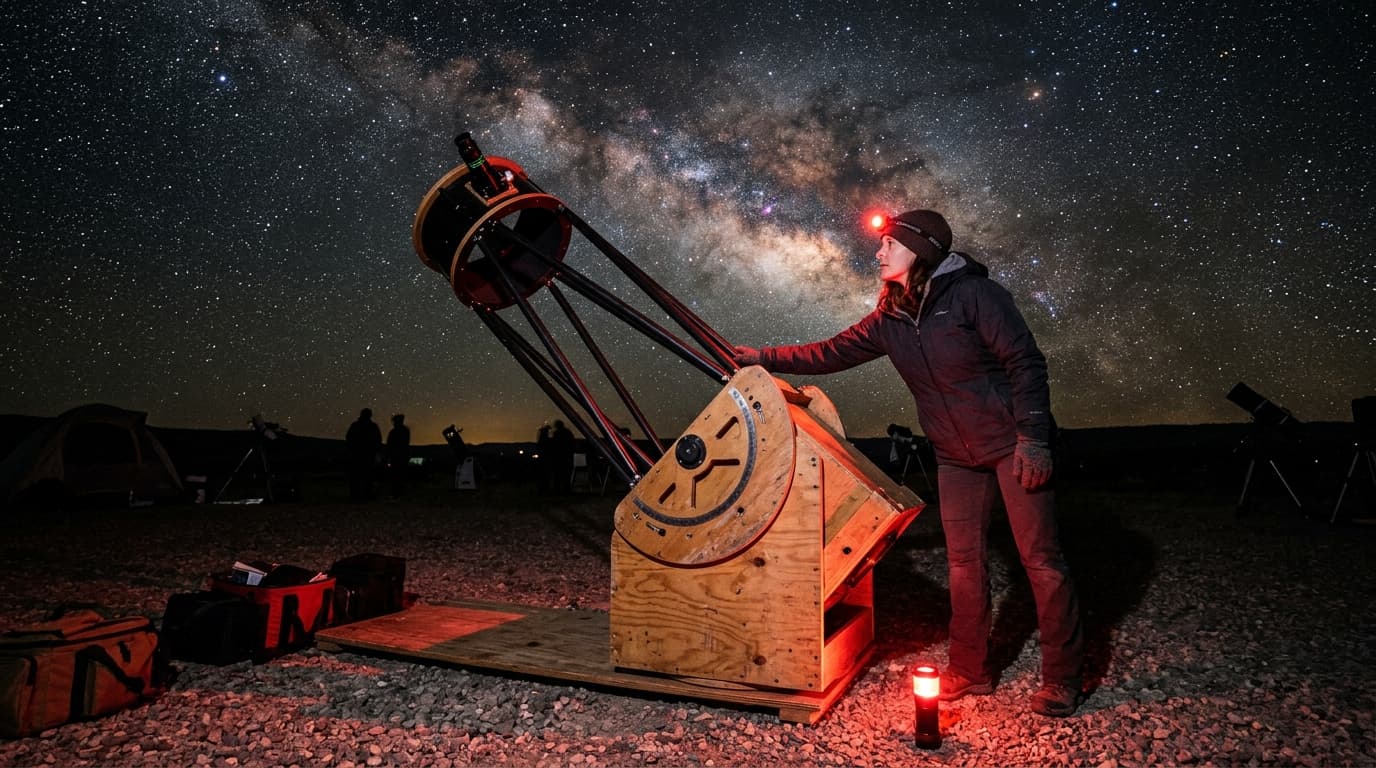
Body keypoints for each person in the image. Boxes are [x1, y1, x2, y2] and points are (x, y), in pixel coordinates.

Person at [734, 209, 1084, 717]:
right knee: (964, 565)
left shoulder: (974, 295)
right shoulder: (892, 317)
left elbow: (1025, 361)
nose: (878, 253)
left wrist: (1032, 437)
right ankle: (970, 671)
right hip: (954, 455)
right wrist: (765, 357)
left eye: (887, 245)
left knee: (1042, 563)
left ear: (918, 249)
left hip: (1010, 444)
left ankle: (1063, 678)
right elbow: (832, 352)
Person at [345, 408, 382, 501]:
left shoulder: (356, 425)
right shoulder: (373, 426)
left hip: (358, 455)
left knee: (357, 477)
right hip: (366, 455)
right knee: (366, 477)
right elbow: (378, 440)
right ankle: (365, 495)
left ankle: (356, 496)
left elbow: (349, 438)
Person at [386, 413, 411, 499]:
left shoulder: (395, 431)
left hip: (396, 456)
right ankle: (399, 492)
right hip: (401, 455)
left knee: (396, 474)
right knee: (400, 474)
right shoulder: (405, 431)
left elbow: (390, 444)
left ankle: (396, 492)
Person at [549, 420, 575, 493]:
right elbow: (572, 443)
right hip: (566, 456)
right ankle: (566, 489)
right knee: (566, 474)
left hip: (559, 456)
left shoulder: (557, 433)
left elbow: (554, 444)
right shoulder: (568, 433)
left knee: (558, 474)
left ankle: (557, 489)